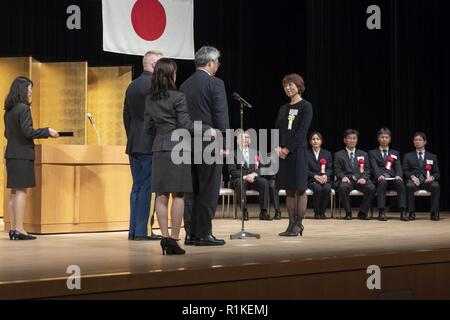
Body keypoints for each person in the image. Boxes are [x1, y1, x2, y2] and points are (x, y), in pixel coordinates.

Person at [144, 58, 209, 255]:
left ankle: (164, 237)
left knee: (161, 195)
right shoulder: (178, 96)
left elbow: (148, 128)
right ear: (170, 75)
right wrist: (207, 130)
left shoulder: (150, 99)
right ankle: (173, 238)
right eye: (174, 72)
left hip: (159, 149)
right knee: (179, 195)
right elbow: (186, 124)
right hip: (178, 149)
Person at [180, 46, 230, 246]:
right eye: (217, 62)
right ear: (210, 62)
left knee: (190, 191)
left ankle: (191, 233)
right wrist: (223, 144)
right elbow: (220, 115)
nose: (217, 66)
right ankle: (203, 233)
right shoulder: (215, 83)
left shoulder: (184, 85)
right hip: (210, 142)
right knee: (209, 189)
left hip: (186, 142)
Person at [4, 76, 59, 240]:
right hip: (22, 154)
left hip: (11, 154)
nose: (31, 91)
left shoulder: (9, 110)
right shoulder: (23, 109)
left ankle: (13, 228)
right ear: (23, 89)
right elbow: (28, 132)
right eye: (29, 87)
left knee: (14, 191)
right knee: (21, 191)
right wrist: (47, 131)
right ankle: (20, 229)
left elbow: (7, 134)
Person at [123, 50, 163, 241]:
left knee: (137, 187)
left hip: (133, 143)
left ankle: (133, 230)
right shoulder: (155, 86)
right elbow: (158, 117)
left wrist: (132, 136)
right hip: (150, 144)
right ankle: (144, 231)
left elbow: (126, 116)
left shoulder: (131, 86)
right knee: (147, 188)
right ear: (154, 65)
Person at [276, 74, 313, 237]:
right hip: (283, 153)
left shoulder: (306, 106)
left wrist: (288, 149)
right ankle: (291, 223)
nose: (288, 88)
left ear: (299, 86)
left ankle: (299, 224)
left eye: (291, 85)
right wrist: (277, 147)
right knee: (289, 190)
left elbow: (302, 132)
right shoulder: (283, 108)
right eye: (285, 86)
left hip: (298, 152)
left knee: (300, 189)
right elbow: (278, 129)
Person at [227, 132, 273, 221]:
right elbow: (232, 171)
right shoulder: (232, 154)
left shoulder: (256, 152)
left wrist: (253, 175)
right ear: (237, 141)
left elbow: (261, 168)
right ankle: (244, 211)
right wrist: (245, 176)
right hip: (239, 179)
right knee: (241, 183)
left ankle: (263, 212)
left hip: (253, 178)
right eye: (242, 138)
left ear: (250, 141)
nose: (245, 140)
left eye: (247, 138)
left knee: (264, 182)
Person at [334, 129, 375, 220]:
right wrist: (342, 177)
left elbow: (368, 169)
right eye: (349, 138)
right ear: (345, 140)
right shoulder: (338, 154)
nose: (352, 140)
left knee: (371, 187)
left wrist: (364, 177)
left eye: (354, 138)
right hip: (347, 180)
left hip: (360, 179)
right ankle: (348, 213)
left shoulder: (363, 154)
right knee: (342, 188)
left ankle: (362, 212)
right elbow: (337, 169)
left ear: (357, 140)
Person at [369, 128, 408, 221]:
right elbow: (374, 167)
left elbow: (398, 166)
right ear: (378, 138)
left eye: (386, 137)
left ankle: (403, 211)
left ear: (390, 139)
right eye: (382, 137)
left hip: (393, 178)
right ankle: (381, 211)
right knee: (382, 183)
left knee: (400, 184)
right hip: (380, 179)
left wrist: (399, 175)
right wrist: (379, 175)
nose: (384, 139)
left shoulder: (395, 153)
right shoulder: (372, 153)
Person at [403, 132, 440, 221]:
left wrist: (432, 177)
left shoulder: (432, 156)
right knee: (409, 186)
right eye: (415, 140)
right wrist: (412, 177)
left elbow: (437, 173)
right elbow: (405, 171)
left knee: (436, 186)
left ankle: (434, 212)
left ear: (425, 142)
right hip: (415, 181)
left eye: (420, 140)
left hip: (427, 181)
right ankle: (411, 212)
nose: (417, 142)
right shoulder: (408, 156)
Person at [307, 132, 333, 220]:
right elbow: (304, 170)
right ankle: (317, 212)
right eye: (313, 139)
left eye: (318, 139)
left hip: (324, 179)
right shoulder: (306, 153)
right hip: (312, 179)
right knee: (317, 188)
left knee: (326, 188)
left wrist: (326, 175)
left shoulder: (327, 153)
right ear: (310, 142)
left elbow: (329, 168)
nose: (315, 141)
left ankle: (323, 212)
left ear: (321, 141)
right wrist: (314, 176)